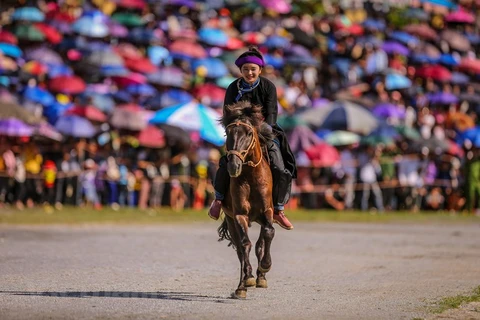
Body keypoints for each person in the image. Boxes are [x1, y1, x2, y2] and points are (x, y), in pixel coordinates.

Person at [207, 46, 297, 230]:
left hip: (265, 129)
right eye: (246, 69)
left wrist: (262, 129)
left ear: (260, 70)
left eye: (253, 69)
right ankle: (218, 200)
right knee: (227, 161)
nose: (249, 72)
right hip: (239, 133)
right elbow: (227, 113)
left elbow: (272, 112)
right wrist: (236, 128)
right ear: (241, 71)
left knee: (279, 166)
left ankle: (278, 209)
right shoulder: (233, 87)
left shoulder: (268, 87)